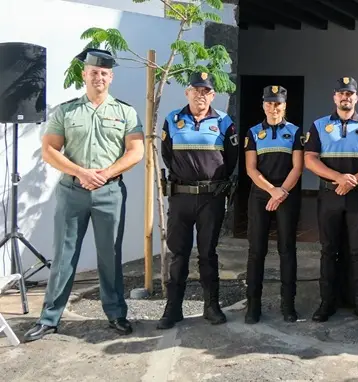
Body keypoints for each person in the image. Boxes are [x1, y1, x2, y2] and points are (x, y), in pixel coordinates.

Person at [24, 49, 144, 342]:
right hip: (72, 191)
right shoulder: (66, 111)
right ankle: (49, 318)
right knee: (64, 256)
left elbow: (136, 151)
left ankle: (116, 314)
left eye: (104, 72)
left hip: (109, 191)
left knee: (110, 256)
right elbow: (49, 150)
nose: (98, 77)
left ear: (111, 76)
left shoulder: (125, 112)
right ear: (84, 74)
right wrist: (81, 172)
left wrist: (103, 174)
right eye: (93, 72)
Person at [156, 71, 239, 329]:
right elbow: (167, 155)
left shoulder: (225, 122)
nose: (200, 95)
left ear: (213, 95)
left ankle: (211, 306)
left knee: (207, 254)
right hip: (180, 197)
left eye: (206, 91)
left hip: (210, 198)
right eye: (196, 90)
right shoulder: (173, 120)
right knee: (178, 254)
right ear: (187, 92)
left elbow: (232, 159)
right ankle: (173, 309)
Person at [304, 76, 358, 325]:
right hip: (329, 195)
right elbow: (310, 159)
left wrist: (352, 181)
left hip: (357, 196)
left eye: (349, 93)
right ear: (334, 97)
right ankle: (327, 302)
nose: (345, 97)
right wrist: (338, 178)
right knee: (328, 251)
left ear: (356, 97)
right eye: (341, 93)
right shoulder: (318, 126)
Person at [243, 85, 304, 324]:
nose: (273, 107)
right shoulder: (254, 132)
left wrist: (282, 192)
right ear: (263, 105)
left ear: (285, 105)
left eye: (277, 103)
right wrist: (271, 191)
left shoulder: (296, 132)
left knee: (287, 250)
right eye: (269, 103)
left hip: (287, 195)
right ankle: (253, 306)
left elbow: (297, 167)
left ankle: (288, 305)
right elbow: (250, 168)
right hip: (261, 196)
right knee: (256, 251)